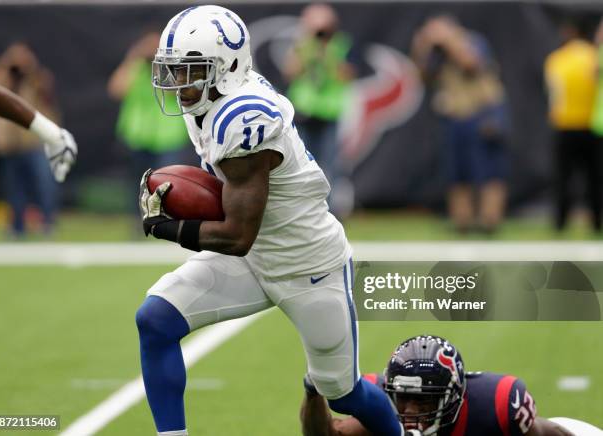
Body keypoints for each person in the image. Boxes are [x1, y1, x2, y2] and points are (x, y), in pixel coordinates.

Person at [136, 5, 403, 436]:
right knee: (155, 320)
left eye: (192, 70)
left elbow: (237, 235)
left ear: (226, 68)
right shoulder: (211, 99)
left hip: (306, 264)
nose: (180, 83)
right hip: (254, 256)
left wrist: (167, 226)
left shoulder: (245, 118)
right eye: (175, 70)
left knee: (344, 394)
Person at [300, 334, 579, 436]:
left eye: (423, 400)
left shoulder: (496, 404)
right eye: (402, 398)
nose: (409, 411)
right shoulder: (381, 410)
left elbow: (553, 433)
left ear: (455, 396)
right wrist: (314, 390)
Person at [411, 16, 509, 234]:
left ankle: (489, 222)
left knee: (489, 171)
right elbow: (423, 76)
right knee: (458, 173)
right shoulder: (436, 52)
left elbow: (471, 64)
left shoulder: (473, 41)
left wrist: (449, 41)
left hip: (483, 112)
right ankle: (462, 222)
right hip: (455, 116)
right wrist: (422, 45)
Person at [0, 44, 77, 235]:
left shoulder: (37, 77)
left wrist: (30, 69)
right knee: (13, 190)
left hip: (34, 143)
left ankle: (48, 223)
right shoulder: (4, 76)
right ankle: (17, 227)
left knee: (44, 185)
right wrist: (7, 65)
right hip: (10, 145)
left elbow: (46, 94)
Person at [283, 3, 355, 216]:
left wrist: (328, 54)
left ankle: (329, 213)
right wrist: (308, 48)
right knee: (300, 165)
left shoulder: (341, 45)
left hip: (329, 113)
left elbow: (347, 75)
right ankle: (303, 211)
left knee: (329, 167)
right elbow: (290, 72)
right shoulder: (302, 45)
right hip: (304, 112)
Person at [108, 32, 189, 222]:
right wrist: (134, 56)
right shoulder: (135, 67)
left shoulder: (172, 69)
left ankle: (167, 219)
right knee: (137, 184)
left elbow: (172, 94)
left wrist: (160, 65)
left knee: (167, 183)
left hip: (167, 137)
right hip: (137, 135)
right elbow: (116, 90)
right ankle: (139, 221)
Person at [545, 15, 601, 232]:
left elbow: (552, 93)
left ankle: (560, 223)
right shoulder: (594, 57)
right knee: (595, 178)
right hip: (591, 124)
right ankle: (597, 222)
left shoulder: (556, 59)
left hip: (564, 123)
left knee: (563, 177)